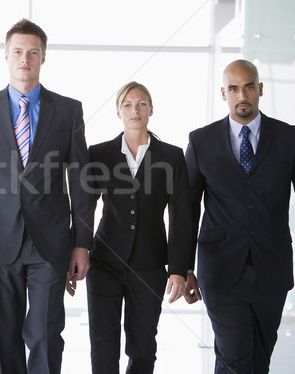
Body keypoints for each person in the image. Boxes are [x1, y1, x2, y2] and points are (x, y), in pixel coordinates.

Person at [0, 18, 94, 374]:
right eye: (17, 51)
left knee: (46, 332)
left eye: (32, 52)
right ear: (6, 56)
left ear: (43, 57)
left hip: (52, 242)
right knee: (5, 335)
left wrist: (82, 243)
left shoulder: (69, 109)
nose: (24, 58)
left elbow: (81, 181)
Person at [184, 59, 295, 374]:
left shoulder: (289, 138)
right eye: (234, 88)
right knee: (235, 359)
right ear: (223, 93)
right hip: (220, 270)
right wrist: (183, 267)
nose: (242, 96)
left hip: (271, 270)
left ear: (260, 89)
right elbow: (186, 207)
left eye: (249, 86)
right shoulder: (201, 141)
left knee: (257, 362)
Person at [83, 81, 193, 374]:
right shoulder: (100, 153)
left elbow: (182, 216)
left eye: (142, 104)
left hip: (150, 264)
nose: (135, 110)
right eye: (128, 105)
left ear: (151, 110)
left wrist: (179, 269)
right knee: (103, 345)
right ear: (118, 112)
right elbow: (84, 208)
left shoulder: (171, 155)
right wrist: (77, 251)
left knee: (143, 348)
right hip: (104, 262)